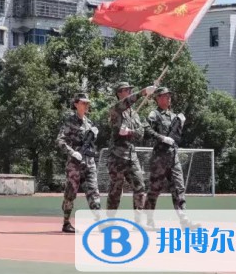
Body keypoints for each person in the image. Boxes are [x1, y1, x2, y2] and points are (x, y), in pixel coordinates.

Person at [144, 87, 196, 228]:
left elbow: (177, 137)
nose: (168, 98)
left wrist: (180, 124)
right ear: (158, 98)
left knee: (179, 187)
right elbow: (147, 130)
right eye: (165, 96)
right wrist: (162, 138)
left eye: (169, 96)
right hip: (159, 158)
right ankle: (149, 220)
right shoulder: (154, 114)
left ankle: (184, 219)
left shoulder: (174, 116)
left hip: (173, 157)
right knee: (155, 189)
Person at [107, 82, 154, 220]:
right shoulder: (115, 109)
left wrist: (129, 132)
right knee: (116, 191)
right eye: (126, 90)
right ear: (119, 93)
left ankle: (138, 220)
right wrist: (142, 92)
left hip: (131, 156)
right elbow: (126, 102)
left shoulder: (135, 114)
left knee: (140, 186)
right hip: (117, 156)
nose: (129, 92)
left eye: (130, 90)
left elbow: (141, 134)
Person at [56, 93, 102, 233]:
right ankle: (66, 222)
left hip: (89, 162)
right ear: (76, 104)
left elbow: (90, 143)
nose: (86, 105)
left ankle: (100, 222)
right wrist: (72, 152)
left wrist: (94, 133)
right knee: (70, 194)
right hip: (75, 163)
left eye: (87, 103)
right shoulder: (70, 122)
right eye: (83, 103)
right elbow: (60, 140)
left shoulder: (89, 123)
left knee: (94, 192)